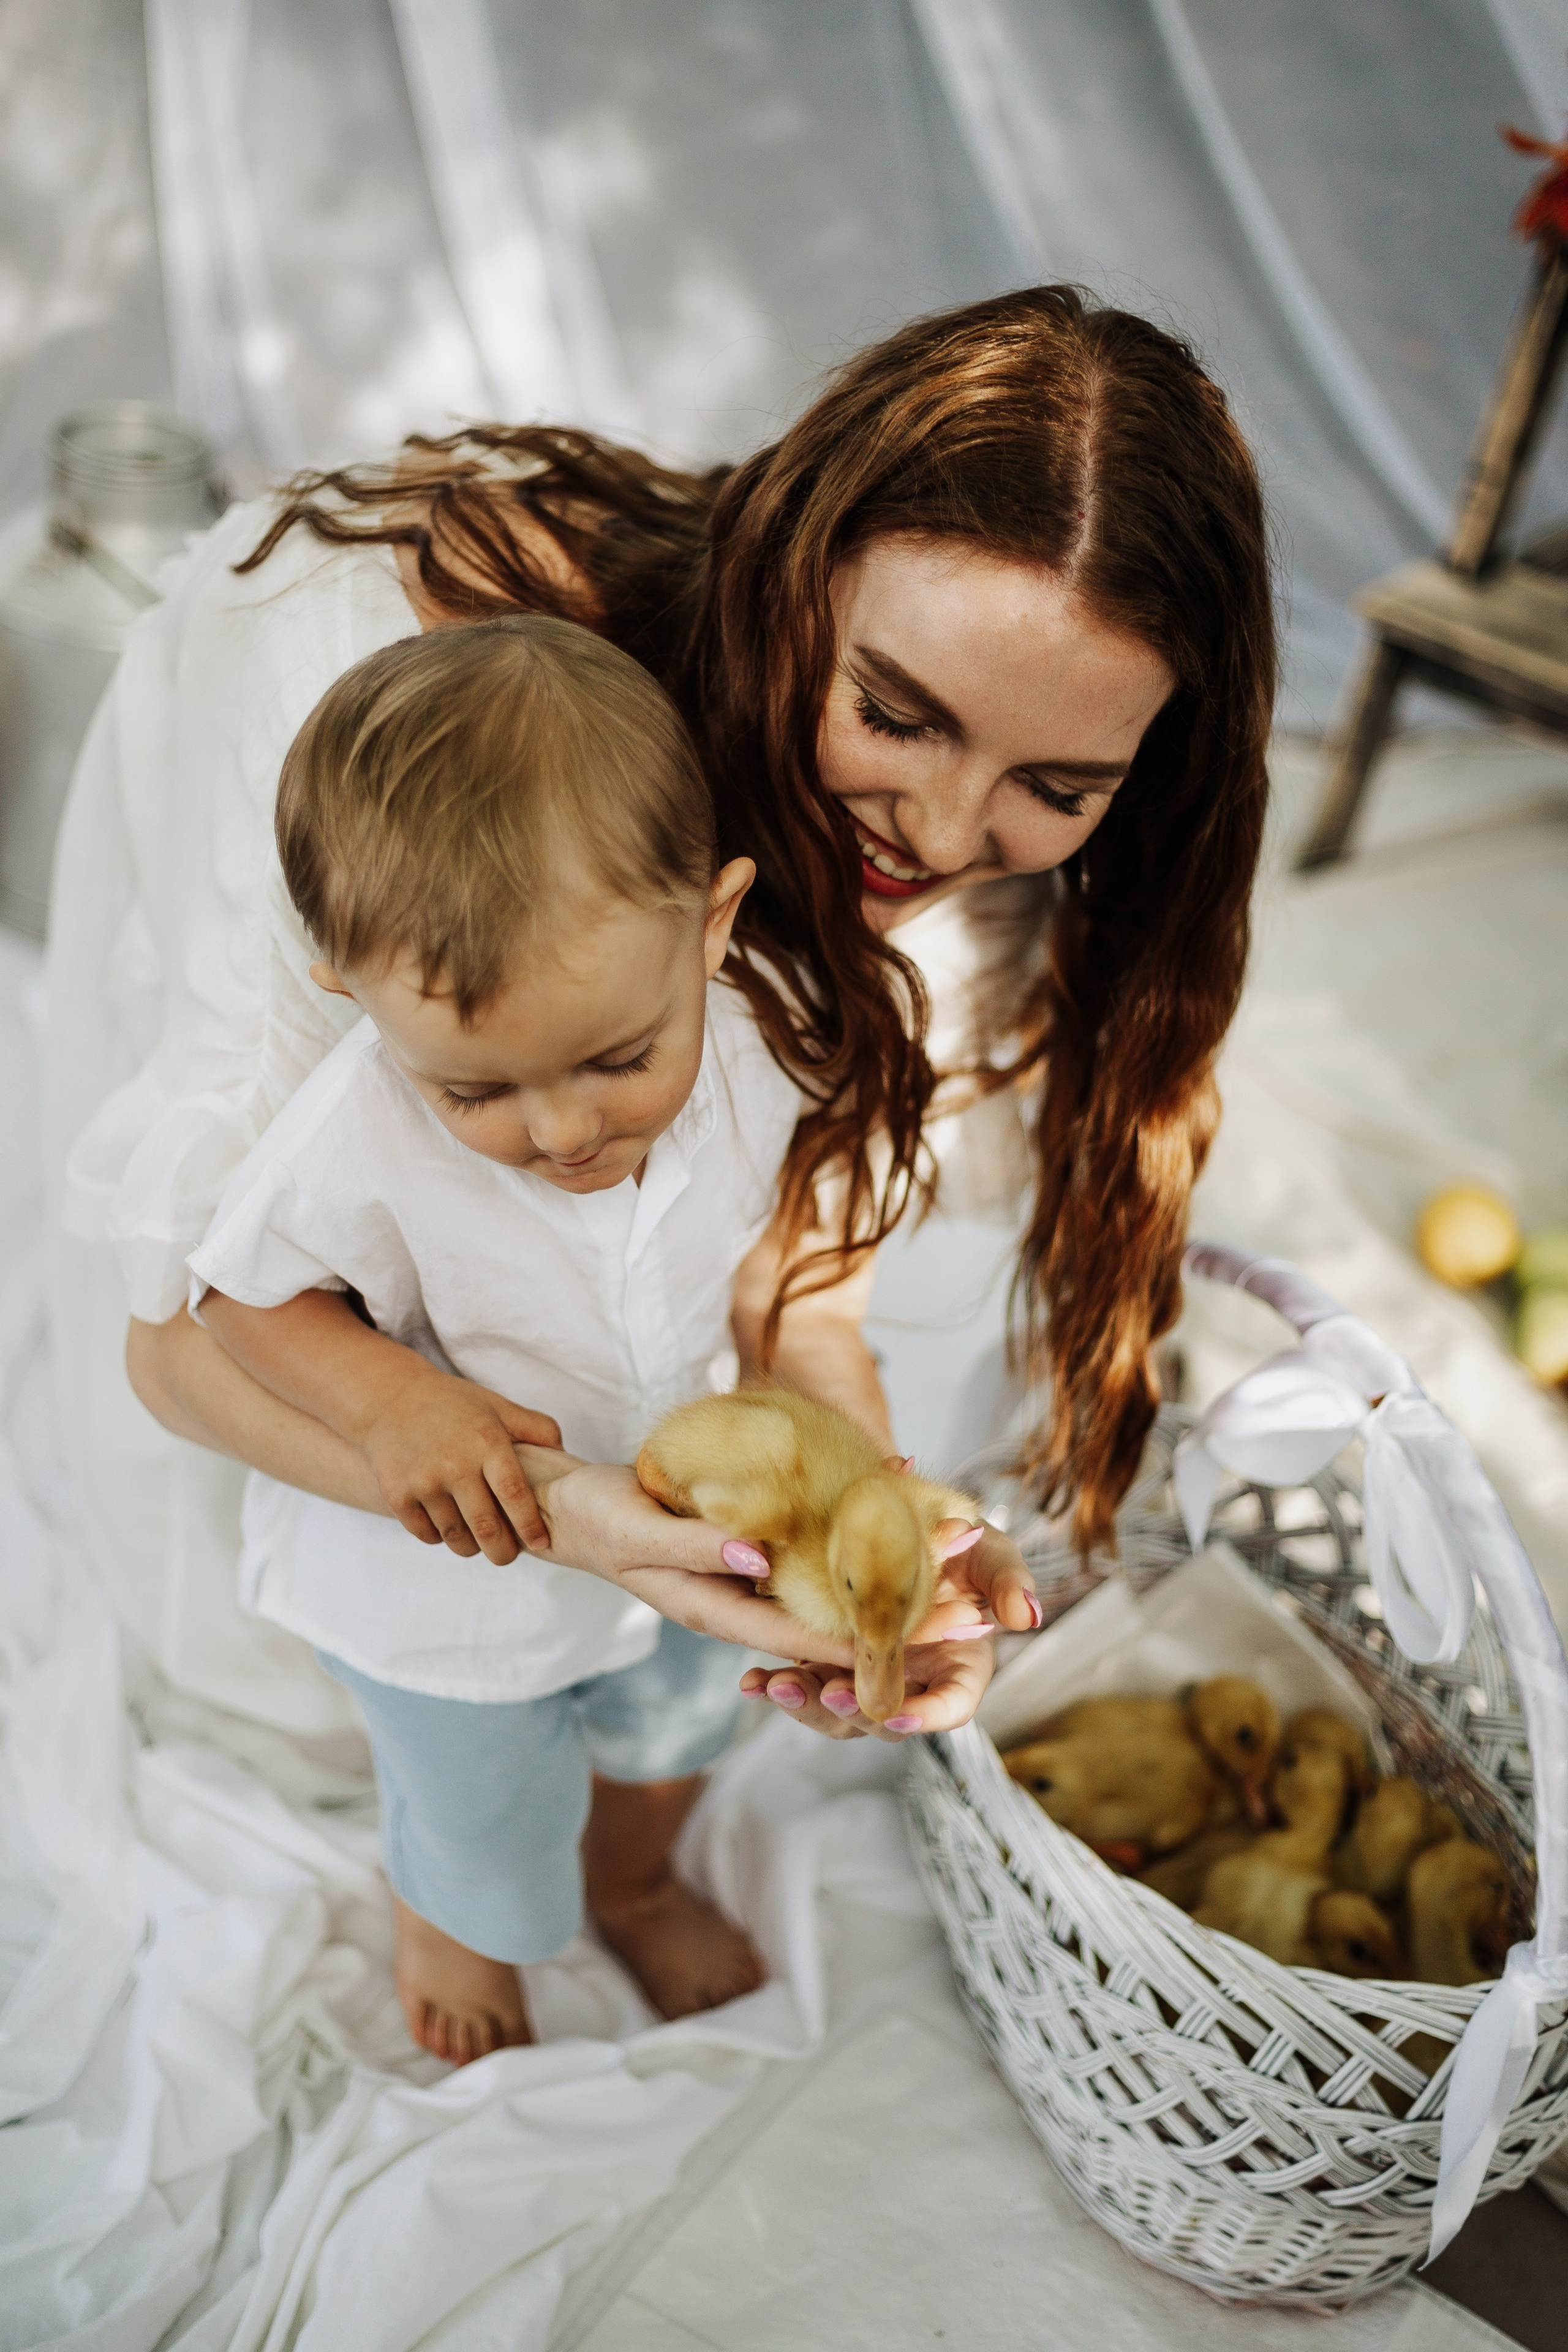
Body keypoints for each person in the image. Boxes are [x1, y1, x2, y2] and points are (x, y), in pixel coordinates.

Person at [46, 282, 1272, 1762]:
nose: (943, 836)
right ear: (790, 581)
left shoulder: (949, 879)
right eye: (895, 715)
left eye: (1058, 789)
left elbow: (787, 1271)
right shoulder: (362, 728)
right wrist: (559, 1516)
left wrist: (868, 1499)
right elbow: (180, 1347)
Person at [183, 614, 982, 2056]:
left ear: (714, 922)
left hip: (686, 1513)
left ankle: (632, 1876)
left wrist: (864, 1485)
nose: (560, 1131)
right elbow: (245, 1297)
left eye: (621, 1058)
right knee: (483, 1800)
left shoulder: (759, 1052)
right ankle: (458, 1921)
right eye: (475, 1091)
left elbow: (784, 1290)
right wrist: (388, 1407)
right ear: (352, 996)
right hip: (455, 1585)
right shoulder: (357, 1129)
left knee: (673, 1735)